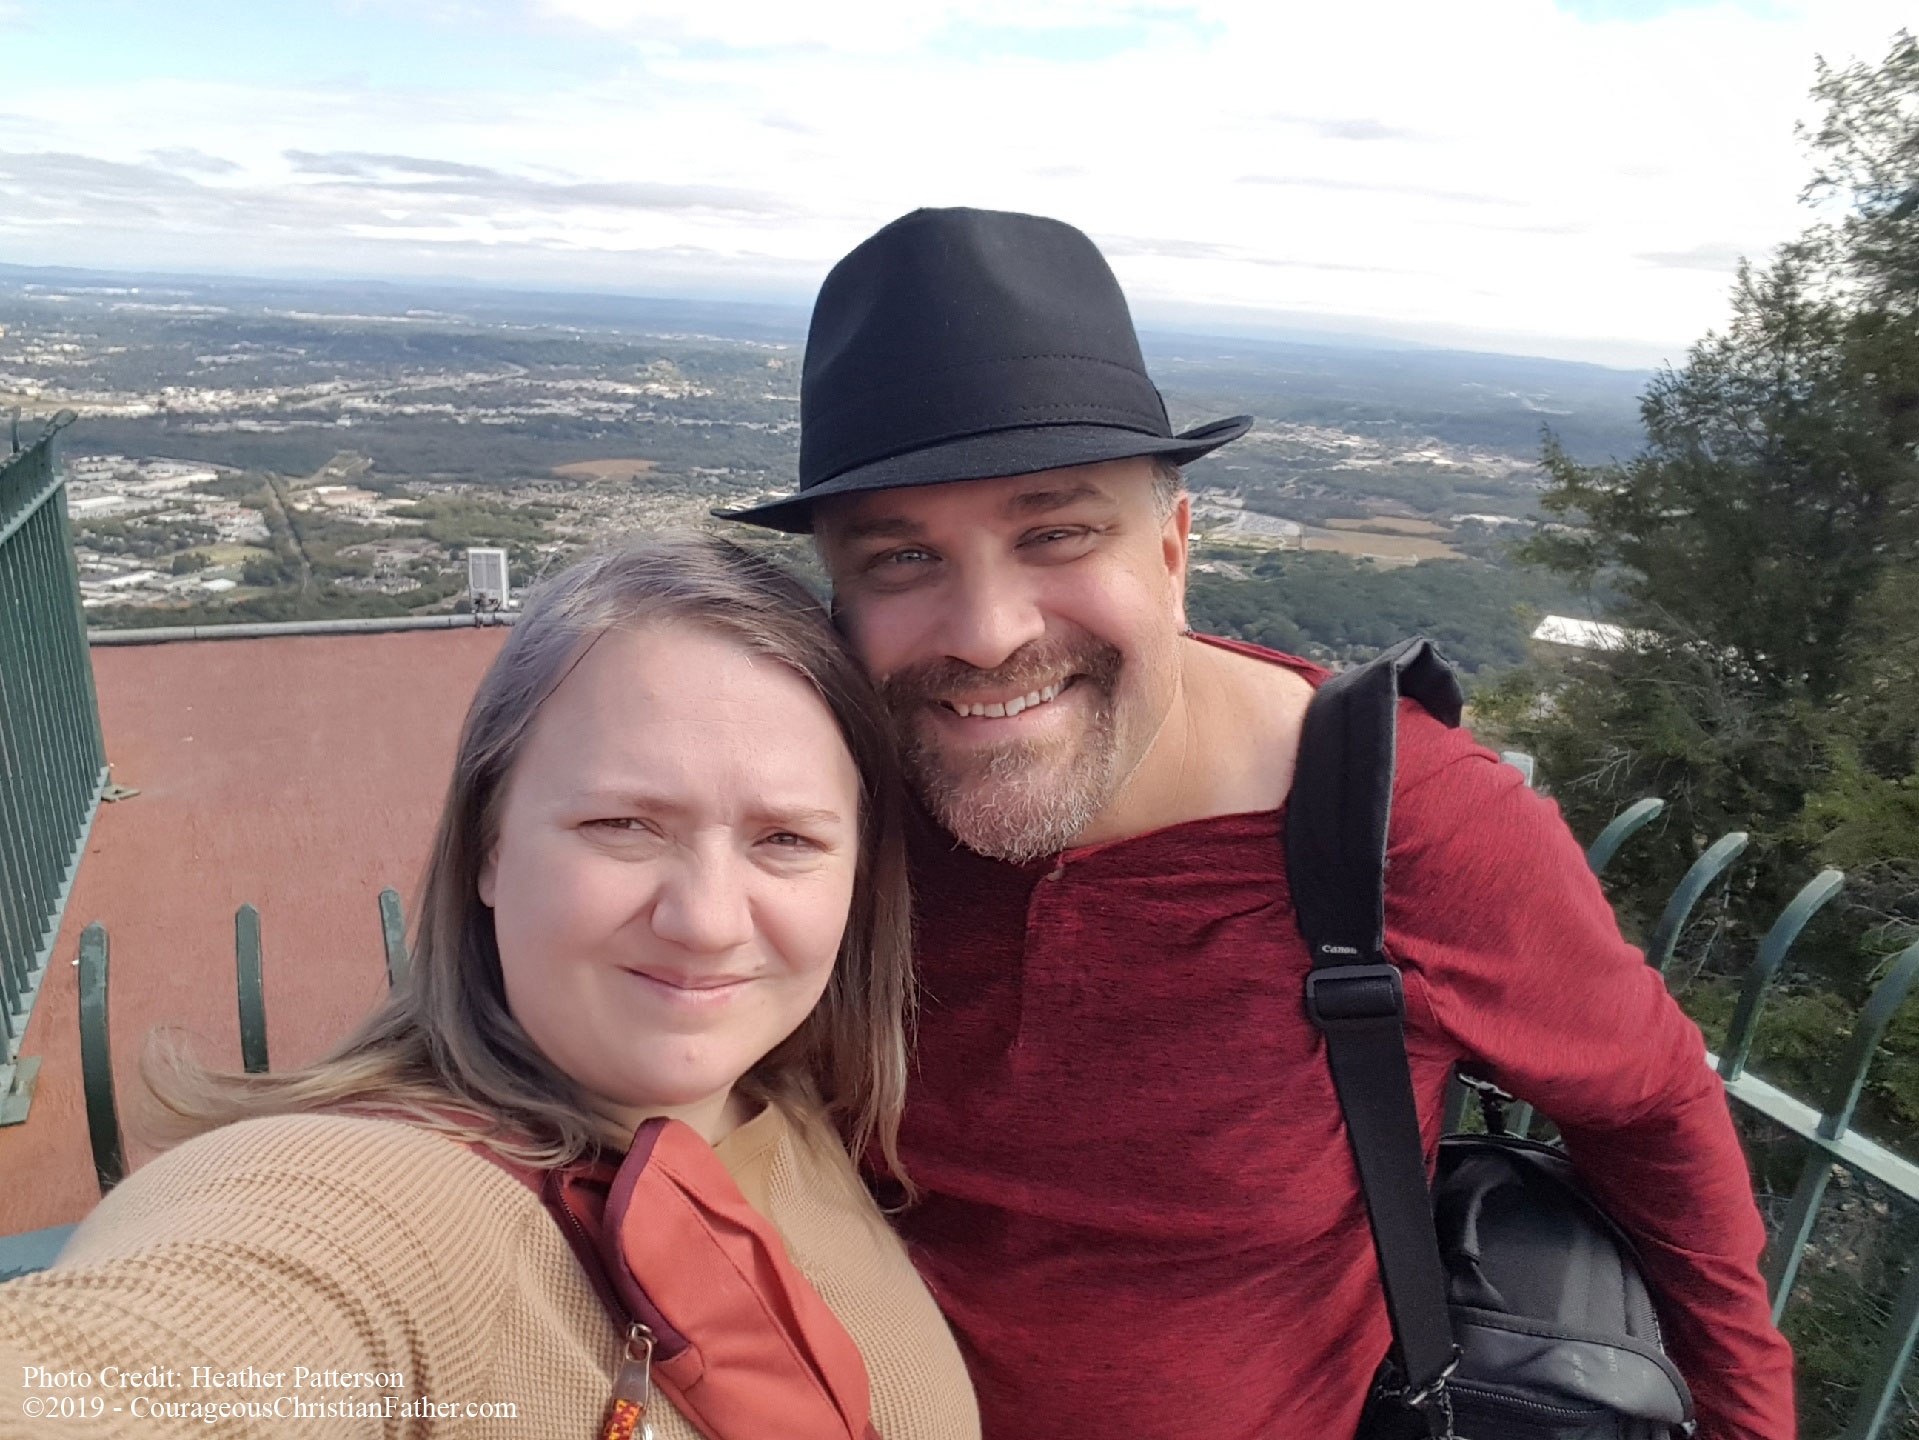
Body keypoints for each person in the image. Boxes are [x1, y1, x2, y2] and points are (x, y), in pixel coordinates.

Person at [723, 208, 1796, 1440]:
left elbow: (1650, 1109)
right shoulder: (820, 793)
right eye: (901, 559)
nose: (985, 630)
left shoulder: (1401, 829)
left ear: (1173, 548)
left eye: (1055, 532)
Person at [0, 535, 980, 1440]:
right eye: (624, 825)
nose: (708, 919)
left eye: (785, 840)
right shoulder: (368, 1207)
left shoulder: (802, 1110)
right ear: (486, 846)